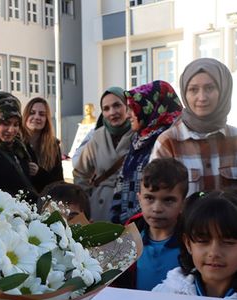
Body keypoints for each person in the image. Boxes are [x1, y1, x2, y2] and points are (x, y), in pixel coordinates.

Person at [150, 58, 237, 196]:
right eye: (193, 89)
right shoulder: (168, 142)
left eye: (209, 88)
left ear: (223, 90)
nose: (202, 97)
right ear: (184, 94)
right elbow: (158, 199)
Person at [153, 190, 237, 300]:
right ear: (188, 243)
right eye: (203, 241)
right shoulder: (164, 295)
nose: (214, 253)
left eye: (228, 242)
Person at [110, 80, 183, 224]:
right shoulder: (138, 140)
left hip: (150, 227)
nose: (128, 115)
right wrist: (116, 221)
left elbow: (160, 191)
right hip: (127, 226)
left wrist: (129, 219)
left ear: (151, 107)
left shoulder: (167, 142)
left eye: (133, 108)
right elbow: (121, 182)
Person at [113, 158, 188, 291]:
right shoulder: (126, 239)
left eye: (168, 200)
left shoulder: (192, 244)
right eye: (149, 198)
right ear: (139, 199)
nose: (157, 208)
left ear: (183, 203)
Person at [73, 87, 134, 222]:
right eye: (106, 108)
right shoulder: (98, 136)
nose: (112, 112)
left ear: (127, 106)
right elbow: (80, 174)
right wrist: (86, 200)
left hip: (130, 206)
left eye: (117, 105)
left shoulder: (137, 134)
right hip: (100, 207)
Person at [22, 97, 63, 194]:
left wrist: (39, 173)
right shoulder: (16, 143)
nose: (36, 117)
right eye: (32, 113)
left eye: (42, 114)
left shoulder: (53, 146)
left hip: (45, 202)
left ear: (46, 119)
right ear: (25, 116)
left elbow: (58, 182)